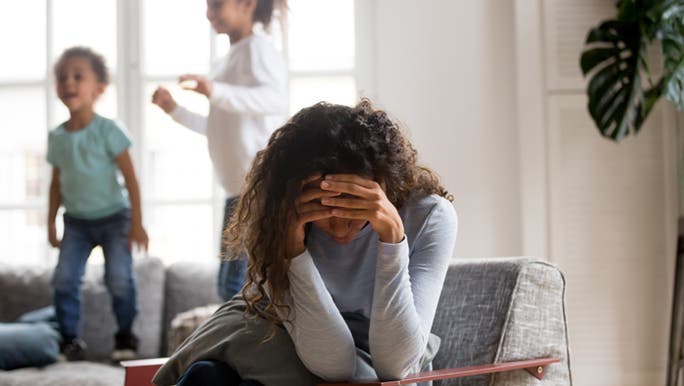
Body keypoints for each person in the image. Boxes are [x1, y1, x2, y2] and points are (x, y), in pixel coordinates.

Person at [153, 100, 458, 386]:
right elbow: (333, 363)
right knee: (206, 376)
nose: (339, 228)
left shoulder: (429, 216)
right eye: (323, 211)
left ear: (384, 184)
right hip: (281, 329)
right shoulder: (279, 214)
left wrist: (392, 240)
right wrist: (293, 251)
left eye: (353, 208)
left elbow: (397, 366)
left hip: (371, 348)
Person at [151, 0, 288, 301]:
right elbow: (217, 127)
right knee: (229, 284)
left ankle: (241, 343)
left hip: (259, 186)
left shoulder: (258, 48)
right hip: (237, 189)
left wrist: (215, 90)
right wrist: (174, 110)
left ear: (247, 4)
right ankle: (237, 342)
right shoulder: (227, 61)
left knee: (237, 284)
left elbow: (274, 100)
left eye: (216, 4)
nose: (209, 12)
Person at [47, 46, 149, 362]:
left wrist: (137, 223)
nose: (69, 83)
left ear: (99, 89)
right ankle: (69, 341)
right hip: (76, 222)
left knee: (119, 278)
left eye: (78, 76)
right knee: (64, 279)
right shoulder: (57, 138)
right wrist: (51, 222)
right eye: (63, 77)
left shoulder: (109, 130)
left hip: (115, 218)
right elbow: (55, 184)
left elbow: (131, 179)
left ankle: (125, 337)